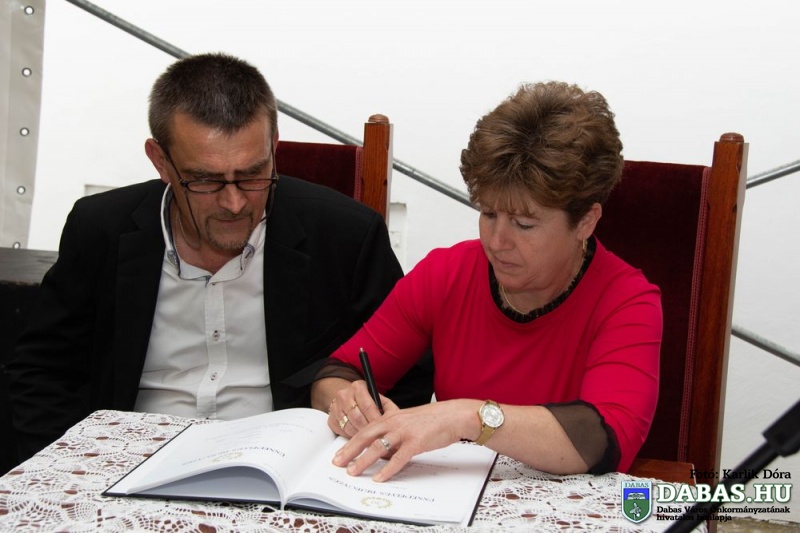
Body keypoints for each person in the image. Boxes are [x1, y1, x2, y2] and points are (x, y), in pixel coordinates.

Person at [8, 52, 432, 461]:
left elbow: (407, 372)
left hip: (283, 461)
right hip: (130, 458)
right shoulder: (101, 228)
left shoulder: (345, 234)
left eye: (253, 174)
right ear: (160, 161)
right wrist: (75, 464)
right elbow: (42, 372)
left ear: (274, 148)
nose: (234, 203)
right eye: (205, 180)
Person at [311, 81, 662, 482]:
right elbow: (335, 373)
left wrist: (466, 416)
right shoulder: (447, 273)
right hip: (450, 498)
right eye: (489, 214)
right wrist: (347, 402)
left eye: (524, 224)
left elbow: (605, 437)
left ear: (585, 221)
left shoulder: (626, 300)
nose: (496, 242)